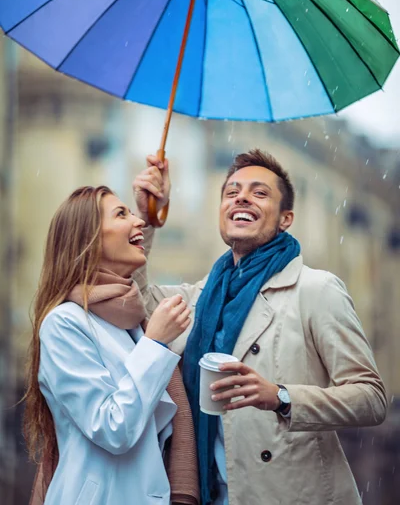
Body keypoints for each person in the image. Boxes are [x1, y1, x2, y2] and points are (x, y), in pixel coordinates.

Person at [133, 149, 387, 505]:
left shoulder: (316, 289)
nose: (242, 197)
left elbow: (371, 398)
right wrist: (147, 218)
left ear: (286, 219)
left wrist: (282, 397)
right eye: (231, 191)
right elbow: (135, 298)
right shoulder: (203, 295)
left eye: (260, 192)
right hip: (213, 494)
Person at [24, 185, 200, 505]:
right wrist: (156, 344)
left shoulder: (128, 320)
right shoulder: (63, 323)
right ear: (88, 239)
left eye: (133, 213)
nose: (139, 223)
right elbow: (112, 428)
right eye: (122, 214)